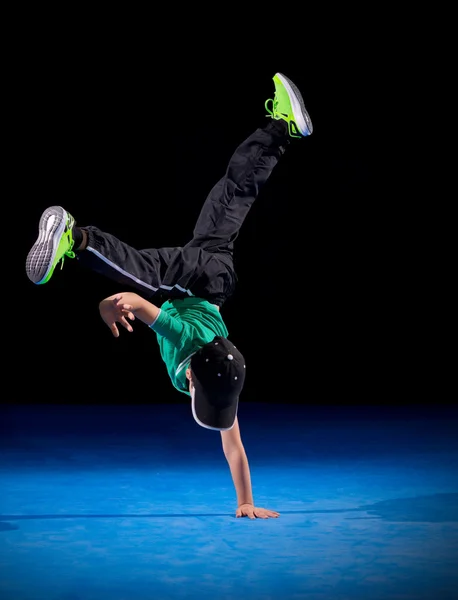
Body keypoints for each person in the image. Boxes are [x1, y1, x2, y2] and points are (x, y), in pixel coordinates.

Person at [26, 73, 313, 519]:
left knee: (233, 194)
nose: (195, 394)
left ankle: (282, 129)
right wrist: (112, 305)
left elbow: (234, 447)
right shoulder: (187, 342)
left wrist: (245, 502)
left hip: (216, 279)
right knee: (150, 275)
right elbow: (140, 304)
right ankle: (75, 237)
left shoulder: (223, 381)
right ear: (195, 377)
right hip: (199, 285)